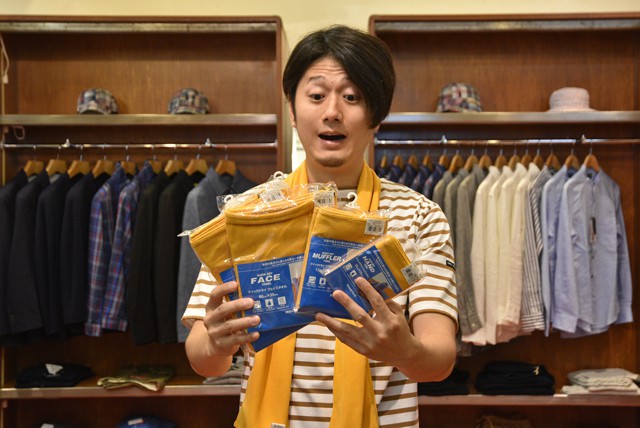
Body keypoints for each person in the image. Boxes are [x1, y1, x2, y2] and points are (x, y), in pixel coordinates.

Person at [182, 24, 458, 427]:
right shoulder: (245, 213)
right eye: (316, 96)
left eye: (352, 97)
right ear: (293, 111)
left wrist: (404, 351)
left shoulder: (419, 215)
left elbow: (440, 361)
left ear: (376, 117)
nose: (332, 112)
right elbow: (202, 360)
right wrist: (216, 342)